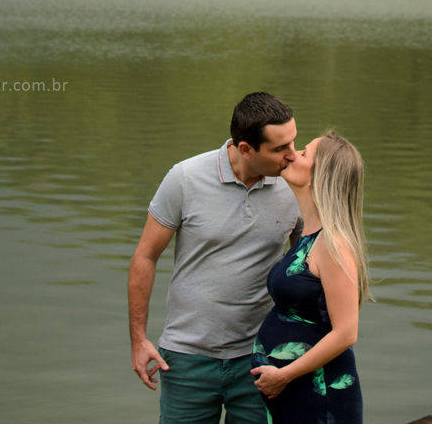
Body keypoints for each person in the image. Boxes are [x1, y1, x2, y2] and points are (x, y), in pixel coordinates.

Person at [129, 92, 303, 424]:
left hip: (262, 361)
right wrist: (139, 340)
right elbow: (145, 257)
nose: (293, 156)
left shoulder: (296, 186)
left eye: (294, 142)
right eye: (280, 149)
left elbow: (309, 266)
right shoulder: (185, 178)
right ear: (246, 150)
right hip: (186, 359)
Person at [250, 131, 367, 424]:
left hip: (319, 392)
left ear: (320, 176)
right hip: (293, 390)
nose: (291, 154)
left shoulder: (333, 243)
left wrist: (283, 375)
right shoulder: (309, 237)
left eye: (303, 153)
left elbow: (346, 332)